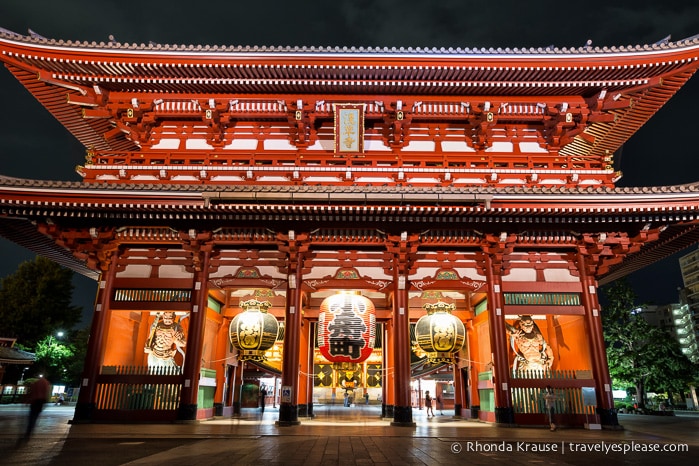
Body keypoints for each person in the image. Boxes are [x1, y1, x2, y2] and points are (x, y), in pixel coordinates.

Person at [23, 375, 51, 440]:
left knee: (31, 416)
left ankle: (29, 430)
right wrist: (45, 402)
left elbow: (32, 392)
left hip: (34, 401)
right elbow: (46, 392)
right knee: (35, 416)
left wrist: (27, 400)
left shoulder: (36, 383)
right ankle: (30, 430)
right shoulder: (46, 383)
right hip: (40, 401)